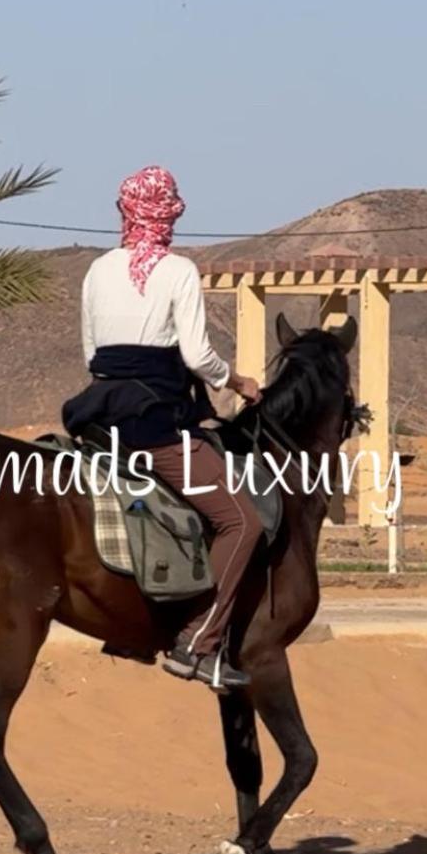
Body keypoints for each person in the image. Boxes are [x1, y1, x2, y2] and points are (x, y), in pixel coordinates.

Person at [62, 164, 264, 691]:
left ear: (124, 212)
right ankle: (197, 644)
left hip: (98, 417)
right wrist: (236, 382)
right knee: (241, 522)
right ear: (170, 213)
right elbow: (198, 354)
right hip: (155, 426)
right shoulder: (178, 270)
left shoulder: (97, 270)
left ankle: (131, 626)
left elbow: (90, 354)